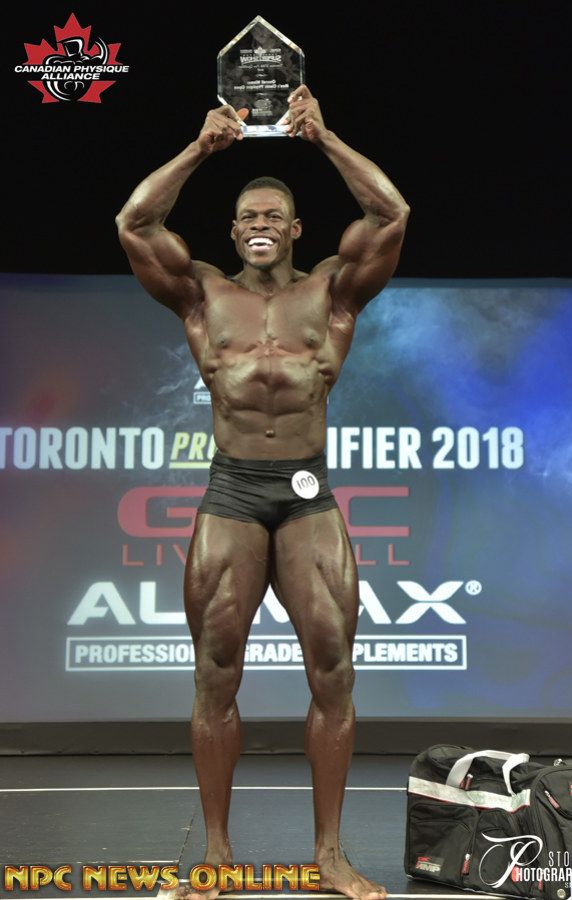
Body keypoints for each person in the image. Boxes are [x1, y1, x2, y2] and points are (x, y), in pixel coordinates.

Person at [116, 85, 410, 900]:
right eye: (247, 213)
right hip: (234, 494)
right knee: (215, 671)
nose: (259, 222)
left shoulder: (333, 292)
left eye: (274, 214)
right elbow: (134, 223)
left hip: (306, 496)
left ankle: (329, 856)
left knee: (333, 671)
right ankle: (215, 855)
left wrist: (323, 139)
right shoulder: (202, 294)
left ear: (295, 229)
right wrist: (201, 148)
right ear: (231, 228)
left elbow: (390, 214)